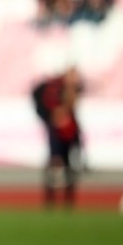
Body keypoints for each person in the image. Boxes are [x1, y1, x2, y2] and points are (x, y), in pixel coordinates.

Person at [32, 67, 84, 208]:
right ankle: (51, 199)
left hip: (69, 132)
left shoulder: (71, 89)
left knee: (69, 166)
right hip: (58, 132)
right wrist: (48, 116)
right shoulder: (53, 88)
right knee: (55, 164)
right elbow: (38, 97)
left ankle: (67, 200)